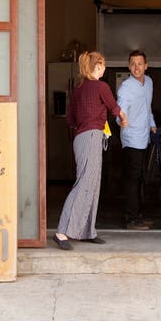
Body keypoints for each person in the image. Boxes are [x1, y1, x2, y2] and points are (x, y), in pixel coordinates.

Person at [53, 51, 128, 250]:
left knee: (92, 183)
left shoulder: (78, 89)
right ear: (97, 66)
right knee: (85, 183)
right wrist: (123, 118)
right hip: (92, 136)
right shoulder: (101, 86)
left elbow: (70, 118)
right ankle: (61, 231)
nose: (104, 68)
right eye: (102, 65)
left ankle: (87, 231)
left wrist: (83, 125)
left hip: (81, 137)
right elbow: (114, 107)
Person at [116, 50, 157, 230]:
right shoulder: (126, 87)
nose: (136, 67)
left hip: (144, 136)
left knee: (141, 177)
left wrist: (152, 124)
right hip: (131, 137)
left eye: (140, 63)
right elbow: (120, 109)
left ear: (146, 66)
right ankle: (131, 218)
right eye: (133, 64)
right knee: (133, 178)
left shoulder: (149, 82)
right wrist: (121, 119)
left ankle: (138, 216)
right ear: (128, 66)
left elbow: (148, 108)